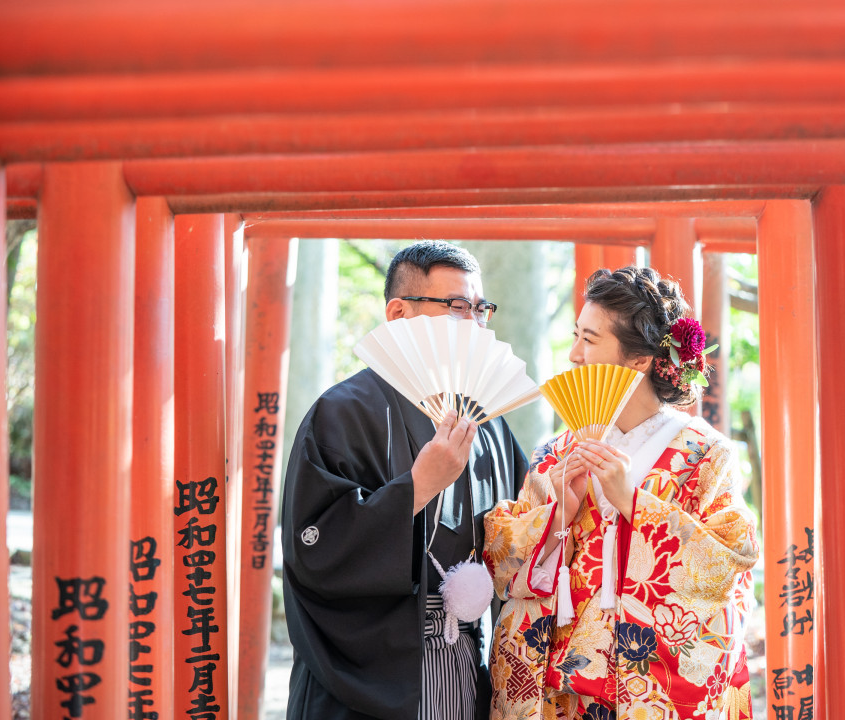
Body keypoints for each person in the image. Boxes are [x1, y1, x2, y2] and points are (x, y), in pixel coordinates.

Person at [484, 266, 760, 720]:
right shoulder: (557, 452)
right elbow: (501, 562)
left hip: (648, 688)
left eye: (589, 340)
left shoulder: (705, 457)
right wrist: (556, 516)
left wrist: (634, 502)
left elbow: (729, 567)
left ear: (639, 360)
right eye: (576, 336)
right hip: (558, 691)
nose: (573, 355)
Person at [281, 240, 528, 720]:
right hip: (370, 673)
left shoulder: (489, 420)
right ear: (398, 314)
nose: (475, 323)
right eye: (457, 307)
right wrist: (416, 489)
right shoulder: (342, 413)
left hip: (461, 660)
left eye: (480, 309)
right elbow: (314, 550)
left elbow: (521, 533)